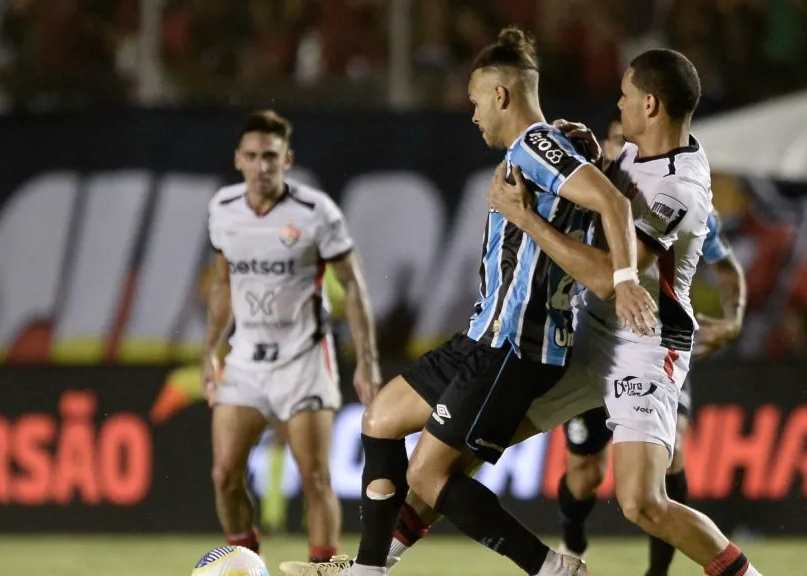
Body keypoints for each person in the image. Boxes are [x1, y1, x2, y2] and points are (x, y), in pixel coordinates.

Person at [280, 26, 657, 576]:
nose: (474, 114)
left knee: (429, 476)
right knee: (381, 417)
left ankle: (551, 569)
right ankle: (367, 569)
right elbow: (589, 188)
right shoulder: (549, 145)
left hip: (514, 345)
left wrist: (624, 279)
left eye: (476, 100)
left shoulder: (536, 145)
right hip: (484, 335)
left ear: (501, 95)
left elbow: (612, 204)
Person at [377, 49, 764, 576]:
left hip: (645, 345)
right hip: (588, 333)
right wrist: (588, 157)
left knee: (642, 502)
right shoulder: (638, 152)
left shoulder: (679, 190)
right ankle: (373, 564)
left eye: (625, 95)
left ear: (650, 105)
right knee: (457, 451)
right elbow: (601, 202)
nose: (618, 104)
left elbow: (609, 274)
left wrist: (526, 219)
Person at [553, 112, 747, 576]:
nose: (622, 150)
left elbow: (727, 267)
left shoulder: (676, 197)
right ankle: (572, 539)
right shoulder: (594, 190)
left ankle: (658, 573)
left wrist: (735, 317)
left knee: (667, 459)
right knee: (584, 474)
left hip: (657, 344)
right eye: (614, 142)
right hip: (596, 342)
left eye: (626, 142)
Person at [204, 110, 381, 562]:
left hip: (305, 360)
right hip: (246, 360)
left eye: (270, 156)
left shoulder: (315, 212)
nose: (261, 166)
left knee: (315, 478)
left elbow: (354, 285)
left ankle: (322, 571)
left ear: (287, 159)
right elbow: (223, 282)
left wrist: (367, 361)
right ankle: (248, 566)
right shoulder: (222, 209)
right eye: (251, 156)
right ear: (238, 160)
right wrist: (210, 351)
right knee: (225, 475)